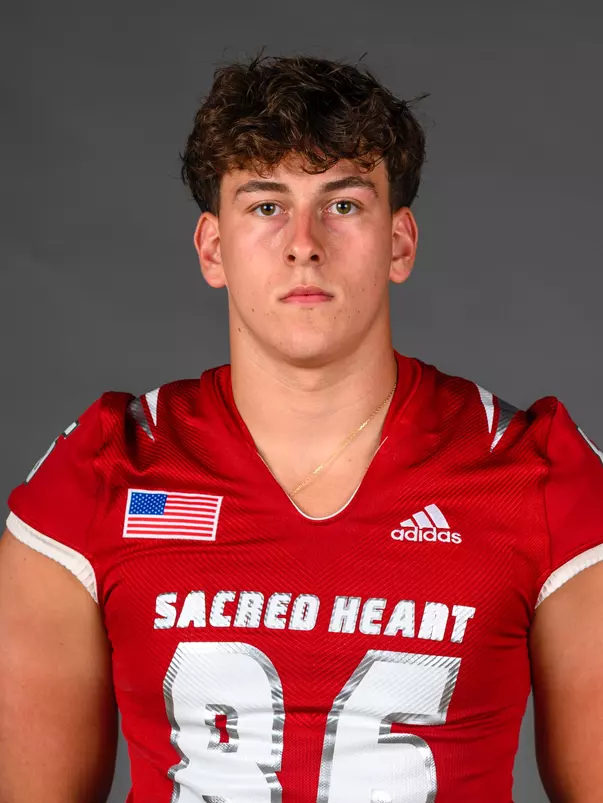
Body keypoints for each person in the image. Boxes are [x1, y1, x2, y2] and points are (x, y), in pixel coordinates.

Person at [1, 53, 602, 803]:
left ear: (399, 242)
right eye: (264, 204)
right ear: (212, 248)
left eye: (343, 204)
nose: (304, 242)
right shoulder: (101, 472)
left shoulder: (539, 473)